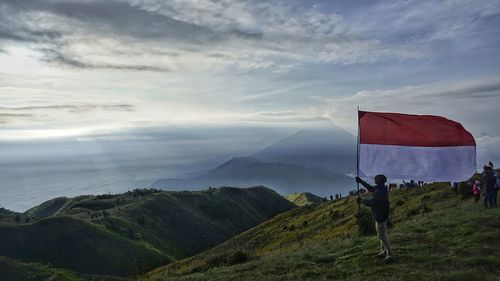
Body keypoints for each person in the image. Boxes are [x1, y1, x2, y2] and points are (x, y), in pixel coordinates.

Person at [355, 175, 395, 263]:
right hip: (383, 214)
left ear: (378, 181)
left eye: (376, 179)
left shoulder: (379, 192)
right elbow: (371, 188)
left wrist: (361, 201)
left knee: (382, 236)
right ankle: (384, 252)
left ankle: (390, 255)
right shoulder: (382, 188)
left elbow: (371, 203)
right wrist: (361, 181)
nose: (374, 179)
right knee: (382, 234)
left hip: (380, 216)